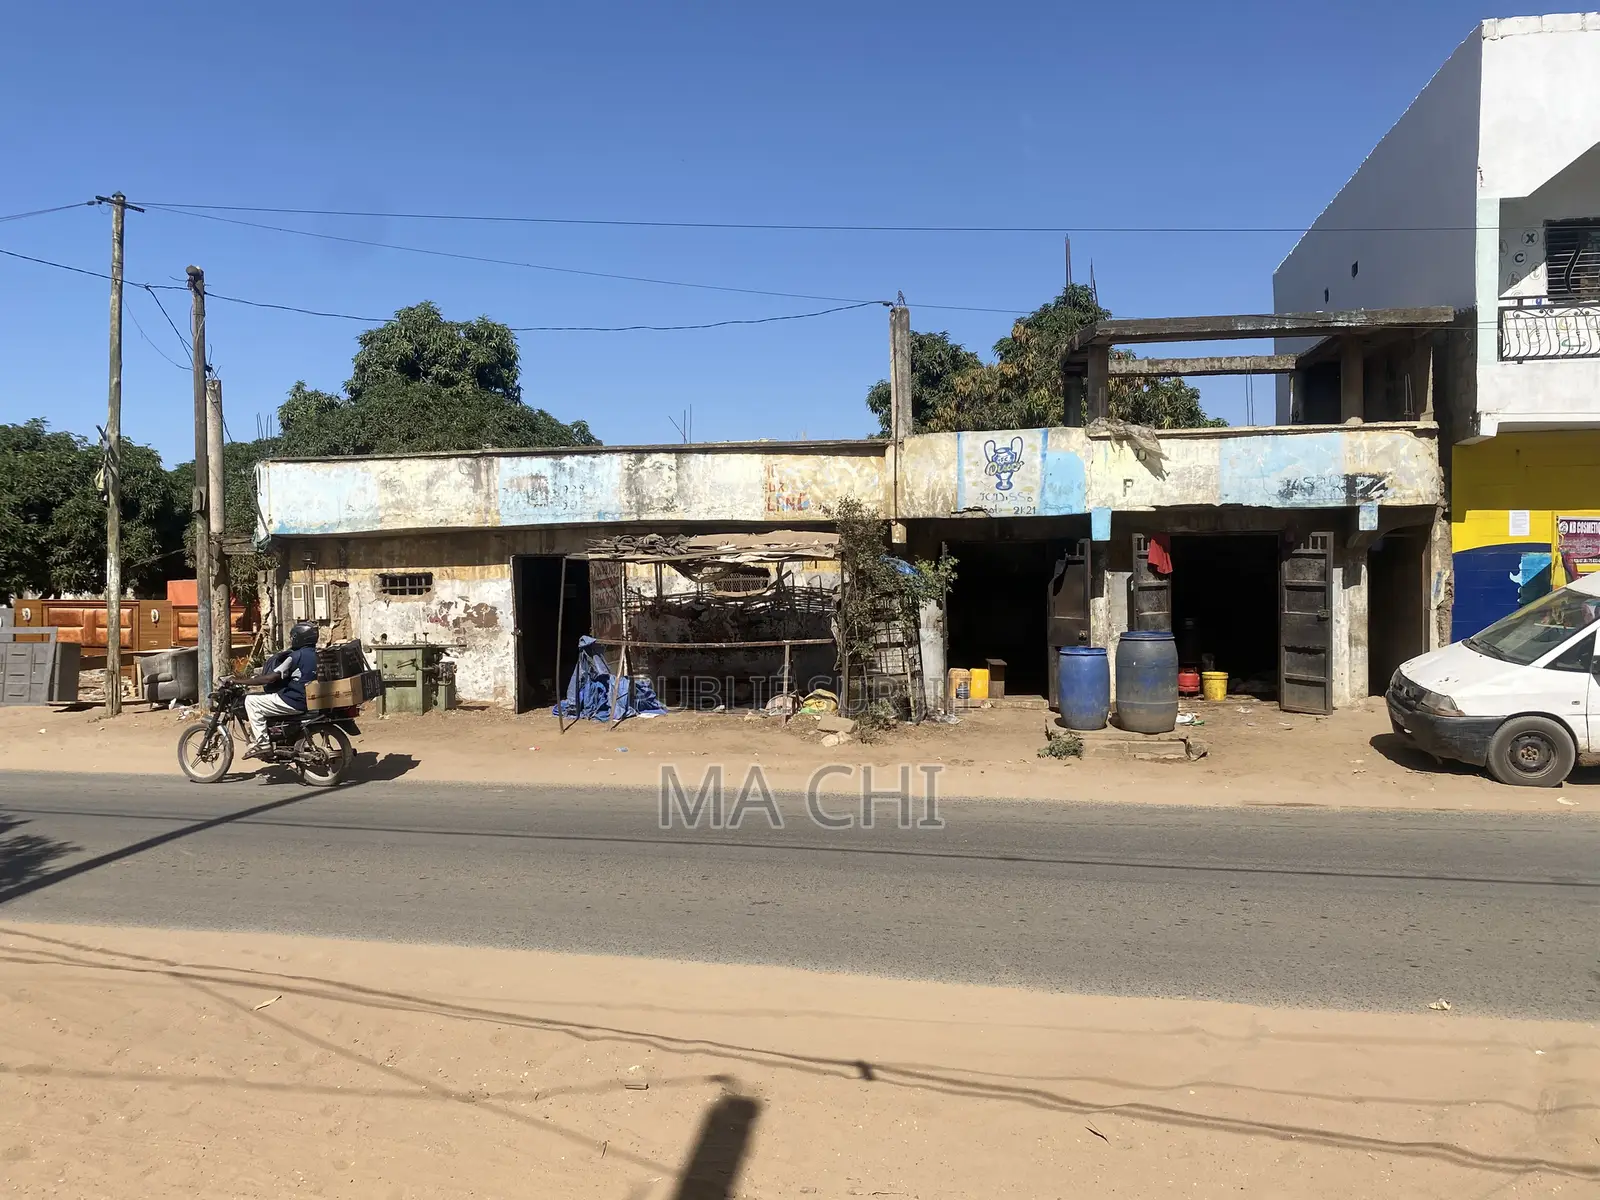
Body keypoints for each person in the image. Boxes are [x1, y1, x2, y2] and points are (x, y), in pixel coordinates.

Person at [235, 620, 320, 758]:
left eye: (293, 637)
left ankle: (263, 744)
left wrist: (241, 681)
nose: (292, 640)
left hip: (295, 700)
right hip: (312, 700)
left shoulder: (295, 656)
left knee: (251, 701)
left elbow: (271, 678)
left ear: (299, 638)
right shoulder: (319, 653)